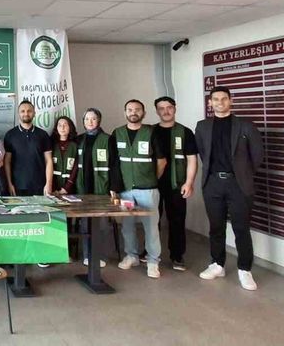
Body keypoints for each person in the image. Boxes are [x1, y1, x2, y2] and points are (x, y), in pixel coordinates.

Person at [195, 86, 263, 291]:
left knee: (241, 228)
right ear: (210, 103)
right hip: (213, 183)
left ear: (230, 101)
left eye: (224, 99)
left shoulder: (245, 125)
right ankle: (217, 264)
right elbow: (203, 153)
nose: (220, 102)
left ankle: (245, 269)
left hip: (238, 184)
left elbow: (257, 155)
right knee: (216, 227)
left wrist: (243, 174)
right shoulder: (202, 126)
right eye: (215, 99)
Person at [111, 99, 166, 279]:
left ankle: (153, 261)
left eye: (137, 109)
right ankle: (131, 255)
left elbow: (161, 161)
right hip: (126, 190)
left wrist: (151, 179)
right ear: (125, 112)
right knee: (127, 225)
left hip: (148, 190)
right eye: (130, 109)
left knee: (151, 227)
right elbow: (114, 162)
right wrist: (115, 187)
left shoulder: (152, 132)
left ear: (143, 113)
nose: (133, 112)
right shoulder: (117, 133)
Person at [73, 108, 123, 267]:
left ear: (99, 121)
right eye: (87, 119)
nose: (90, 122)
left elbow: (115, 164)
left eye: (93, 118)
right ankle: (87, 254)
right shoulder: (78, 140)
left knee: (101, 224)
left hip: (102, 187)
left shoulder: (108, 139)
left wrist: (114, 187)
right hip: (82, 189)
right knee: (85, 224)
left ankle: (100, 255)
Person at [153, 96, 199, 271]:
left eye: (169, 107)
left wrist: (189, 182)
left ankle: (177, 256)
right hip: (153, 184)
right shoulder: (150, 131)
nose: (166, 111)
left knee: (177, 220)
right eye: (161, 108)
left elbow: (192, 159)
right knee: (152, 221)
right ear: (157, 111)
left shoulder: (185, 132)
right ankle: (150, 253)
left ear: (175, 108)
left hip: (177, 184)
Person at [3, 100, 53, 197]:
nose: (26, 113)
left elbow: (49, 160)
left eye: (29, 111)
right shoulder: (10, 135)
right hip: (17, 186)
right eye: (22, 111)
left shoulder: (43, 135)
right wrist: (9, 184)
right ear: (18, 114)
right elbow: (7, 162)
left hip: (40, 186)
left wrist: (48, 184)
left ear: (34, 113)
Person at [49, 116, 79, 194]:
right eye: (59, 125)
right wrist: (52, 187)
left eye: (65, 125)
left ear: (70, 127)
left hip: (70, 188)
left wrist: (66, 188)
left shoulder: (75, 146)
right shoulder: (51, 145)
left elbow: (75, 168)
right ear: (56, 128)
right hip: (52, 188)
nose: (62, 128)